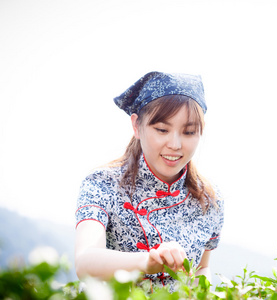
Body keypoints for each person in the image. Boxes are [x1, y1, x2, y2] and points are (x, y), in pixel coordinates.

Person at [74, 71, 224, 291]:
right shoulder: (103, 183)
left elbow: (201, 269)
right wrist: (147, 262)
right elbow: (85, 261)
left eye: (189, 132)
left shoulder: (208, 198)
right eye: (162, 129)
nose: (175, 144)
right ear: (137, 126)